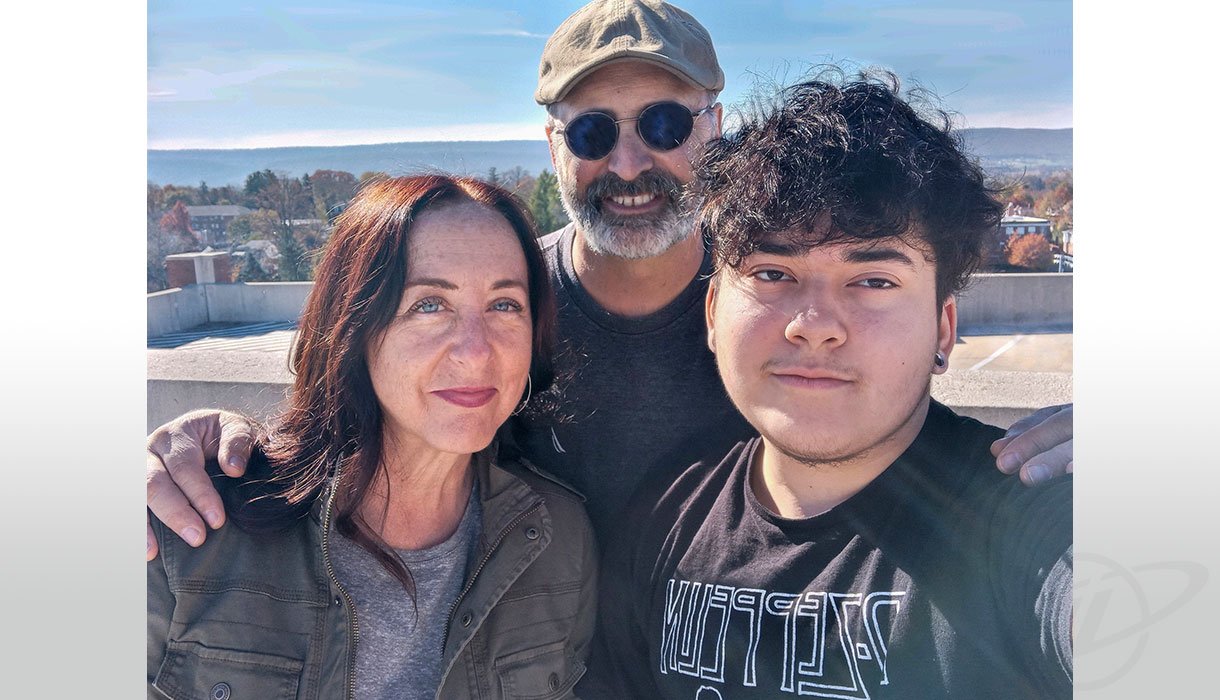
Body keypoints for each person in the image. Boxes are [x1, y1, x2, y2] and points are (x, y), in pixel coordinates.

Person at [145, 0, 1074, 555]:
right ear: (554, 149)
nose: (629, 164)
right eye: (593, 132)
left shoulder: (772, 304)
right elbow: (364, 428)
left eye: (664, 126)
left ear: (712, 129)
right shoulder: (501, 309)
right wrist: (221, 447)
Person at [577, 72, 1072, 699]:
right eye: (773, 271)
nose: (813, 326)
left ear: (943, 331)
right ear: (711, 315)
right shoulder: (668, 520)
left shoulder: (1027, 512)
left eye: (873, 281)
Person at [148, 175, 597, 699]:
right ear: (355, 328)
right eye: (429, 305)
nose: (476, 352)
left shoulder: (558, 543)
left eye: (505, 305)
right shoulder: (189, 529)